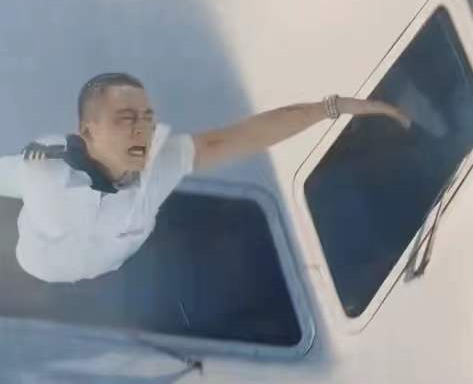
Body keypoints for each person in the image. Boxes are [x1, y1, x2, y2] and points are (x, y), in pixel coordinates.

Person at [0, 73, 411, 283]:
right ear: (89, 130)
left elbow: (242, 136)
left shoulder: (159, 166)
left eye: (146, 118)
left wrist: (330, 108)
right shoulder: (43, 171)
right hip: (37, 274)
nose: (141, 131)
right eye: (125, 120)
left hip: (122, 270)